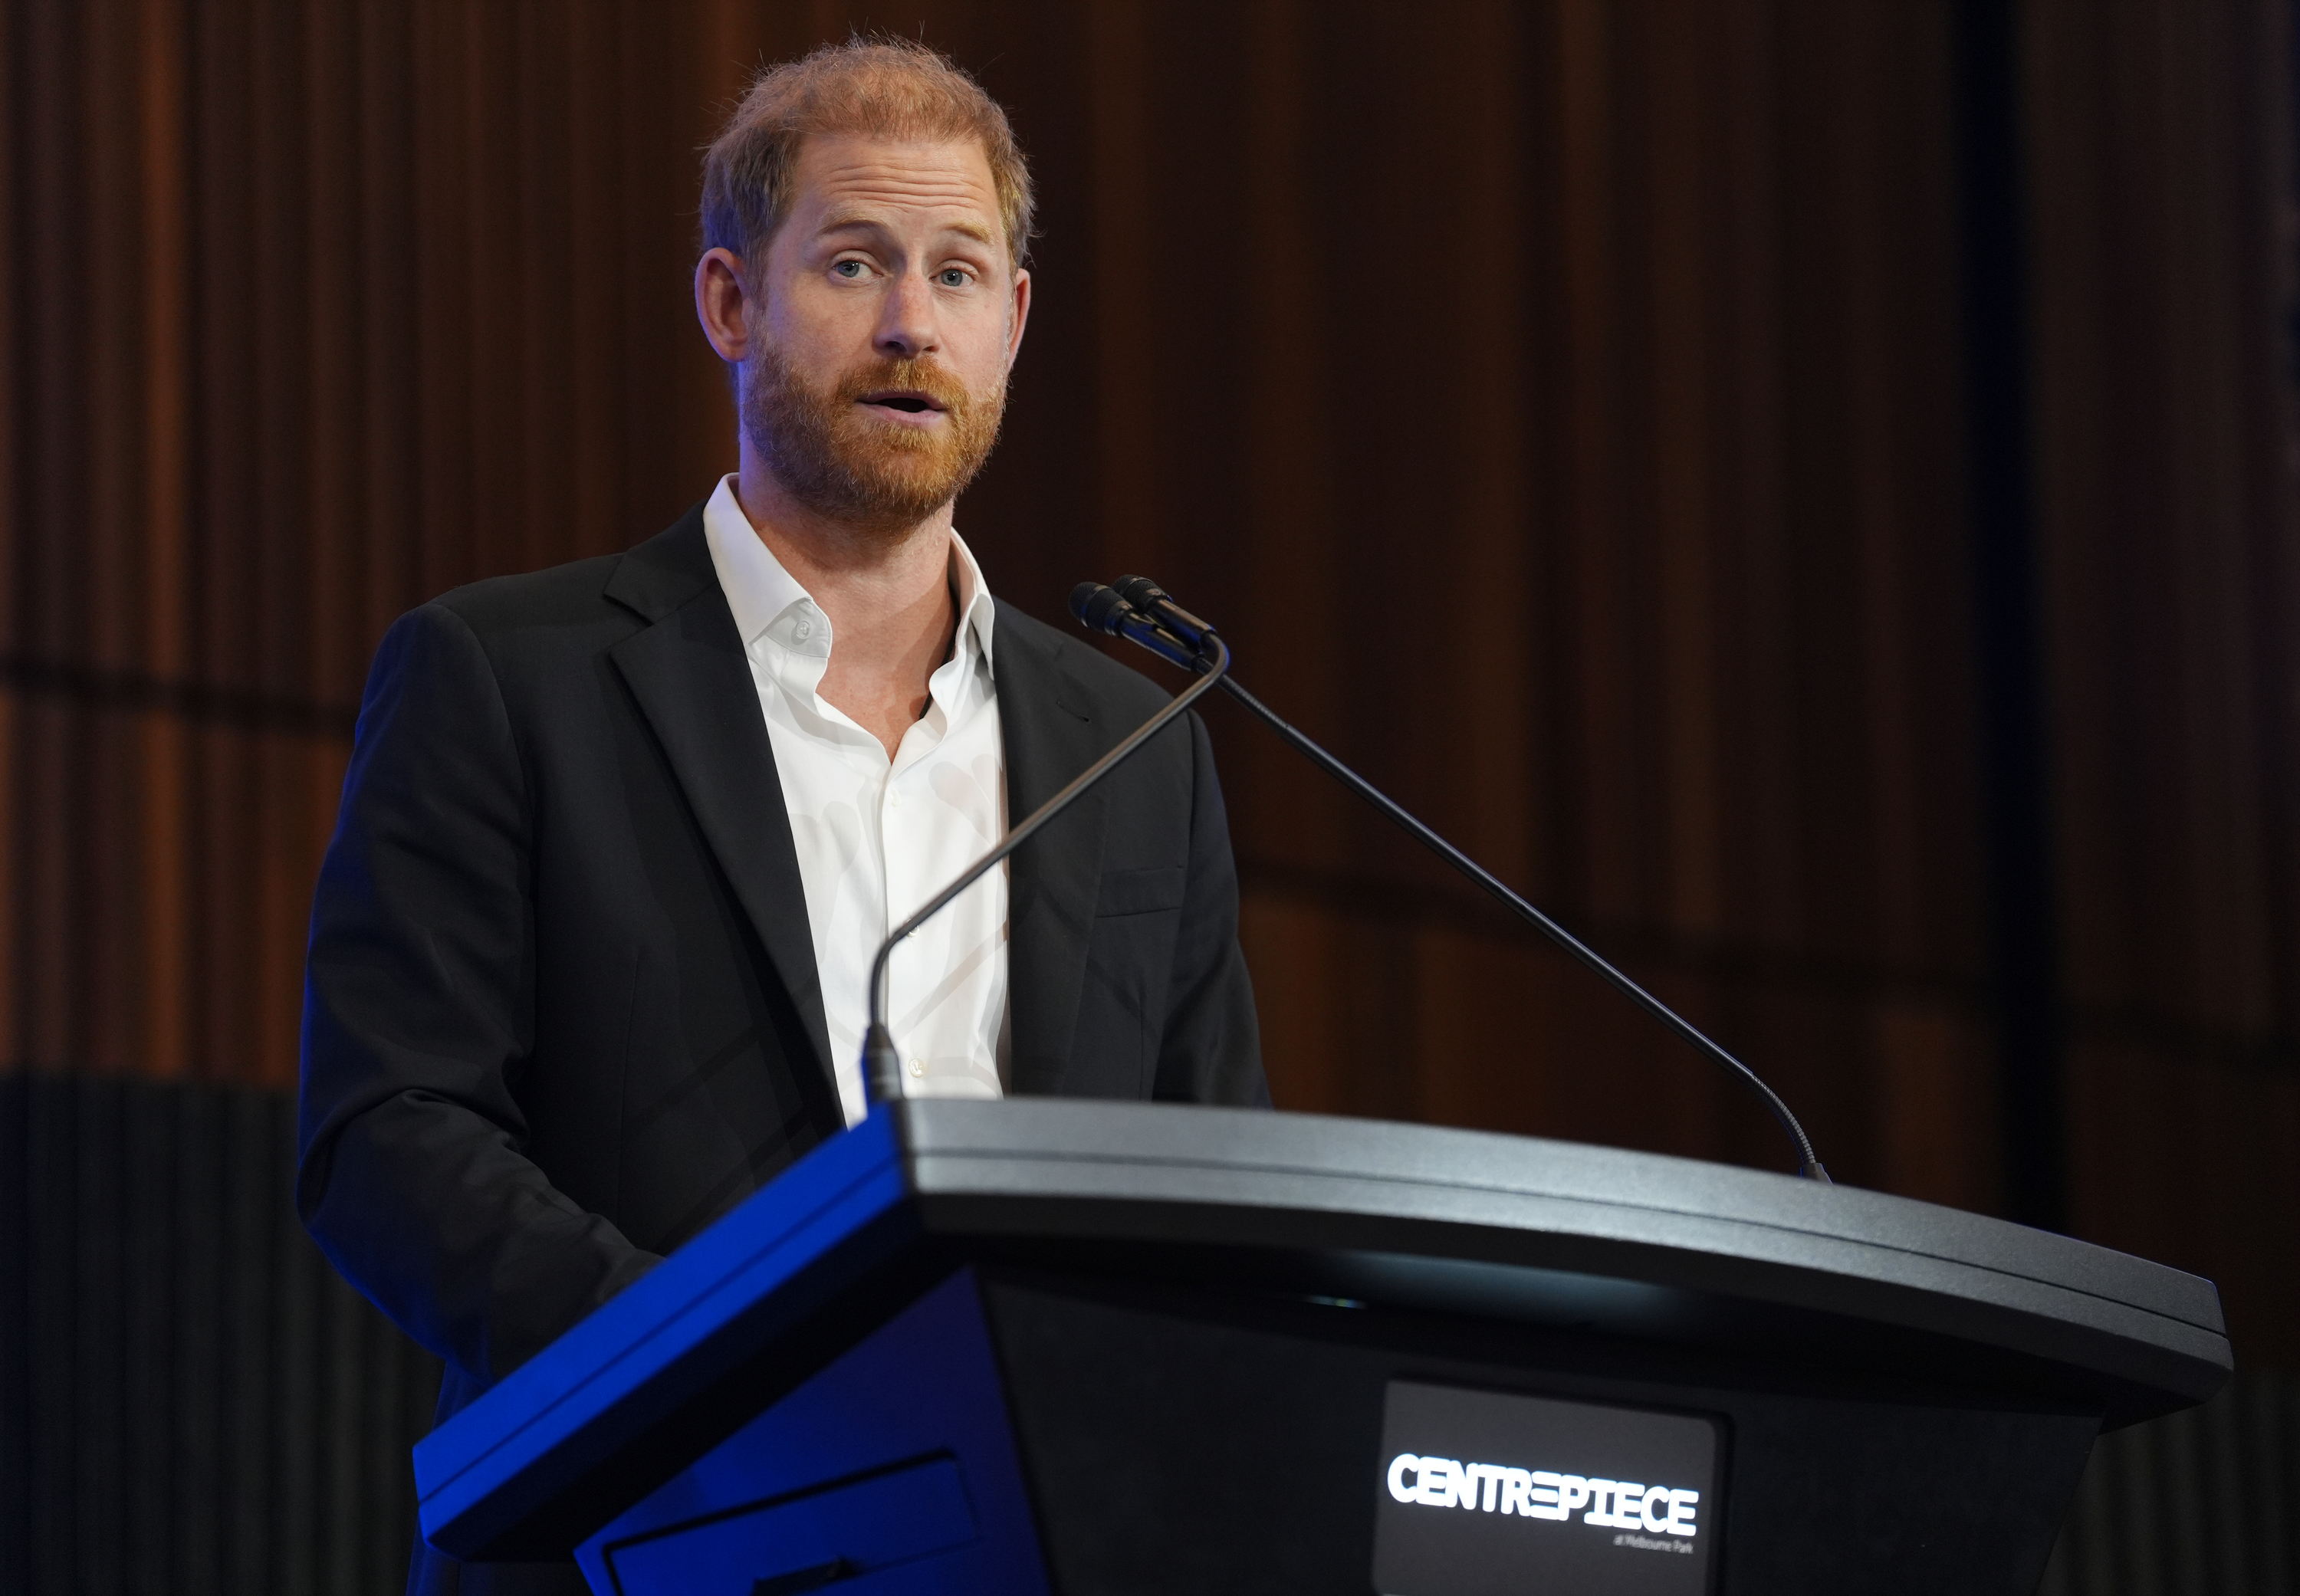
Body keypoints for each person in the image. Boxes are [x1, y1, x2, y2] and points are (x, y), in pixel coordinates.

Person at [296, 37, 1264, 1595]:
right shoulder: (504, 677)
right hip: (644, 1527)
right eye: (854, 262)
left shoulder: (1137, 747)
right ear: (729, 303)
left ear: (1013, 326)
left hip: (1040, 1543)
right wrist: (720, 1367)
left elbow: (1216, 1185)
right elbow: (387, 1134)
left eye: (958, 274)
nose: (908, 324)